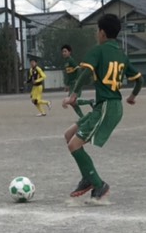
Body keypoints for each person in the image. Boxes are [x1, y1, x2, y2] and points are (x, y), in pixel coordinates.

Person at [63, 13, 141, 203]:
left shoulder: (98, 50)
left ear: (102, 33)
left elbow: (85, 72)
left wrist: (74, 94)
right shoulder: (121, 54)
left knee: (74, 145)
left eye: (97, 31)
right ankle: (87, 177)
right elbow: (139, 79)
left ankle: (99, 185)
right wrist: (132, 96)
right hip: (106, 106)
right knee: (69, 135)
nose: (97, 34)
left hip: (107, 106)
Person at [60, 45, 86, 118]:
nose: (63, 53)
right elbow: (69, 75)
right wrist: (67, 85)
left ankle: (90, 102)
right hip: (71, 84)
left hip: (75, 83)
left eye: (65, 51)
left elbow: (78, 69)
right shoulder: (66, 62)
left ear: (69, 52)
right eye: (62, 52)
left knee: (71, 100)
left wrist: (77, 80)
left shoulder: (71, 60)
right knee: (72, 102)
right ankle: (82, 117)